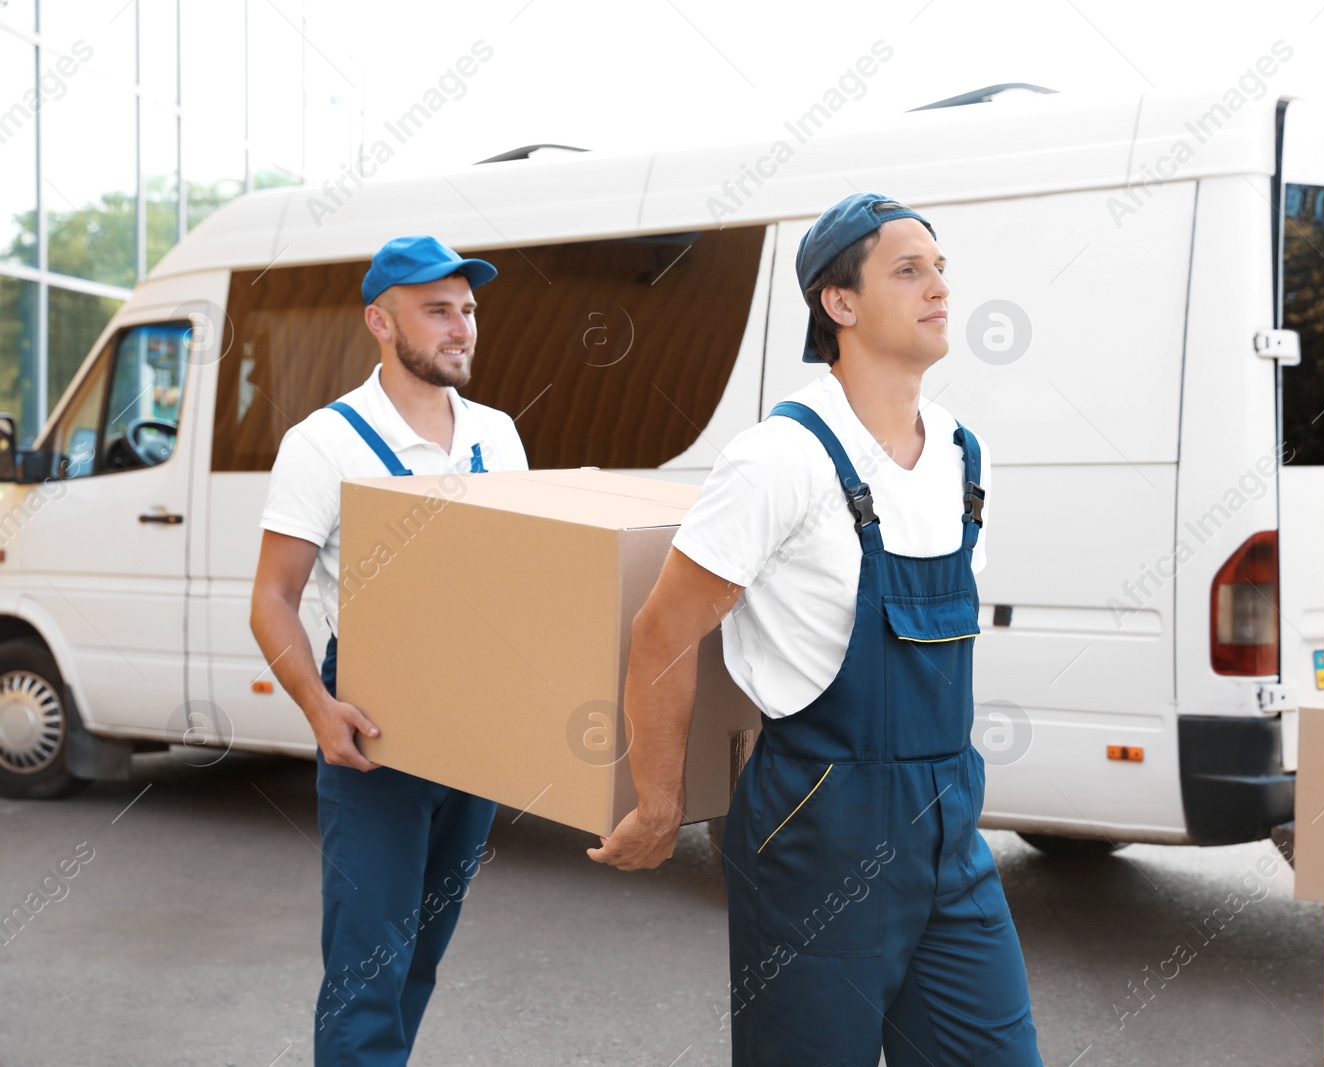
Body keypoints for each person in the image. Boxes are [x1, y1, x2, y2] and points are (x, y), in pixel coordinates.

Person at [590, 194, 1043, 1065]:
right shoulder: (780, 457)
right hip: (817, 832)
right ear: (839, 304)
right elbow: (664, 630)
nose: (939, 286)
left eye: (941, 267)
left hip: (950, 826)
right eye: (909, 270)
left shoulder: (962, 455)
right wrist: (659, 803)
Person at [250, 235, 529, 1065]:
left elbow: (523, 588)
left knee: (416, 962)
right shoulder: (323, 442)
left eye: (469, 310)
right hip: (373, 722)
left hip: (472, 731)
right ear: (380, 320)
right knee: (368, 969)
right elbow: (272, 598)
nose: (462, 327)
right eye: (438, 310)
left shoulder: (497, 436)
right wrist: (317, 708)